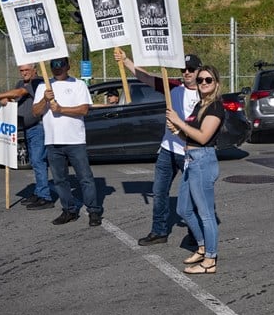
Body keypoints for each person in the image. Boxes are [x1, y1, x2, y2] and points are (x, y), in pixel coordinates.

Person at [114, 48, 201, 246]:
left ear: (199, 71)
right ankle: (159, 231)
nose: (186, 73)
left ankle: (195, 233)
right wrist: (127, 61)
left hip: (190, 152)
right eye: (183, 70)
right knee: (159, 192)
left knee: (192, 196)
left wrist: (179, 125)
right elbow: (146, 77)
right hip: (168, 150)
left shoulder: (205, 94)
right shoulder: (173, 87)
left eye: (191, 69)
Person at [166, 66, 224, 274]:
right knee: (184, 210)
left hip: (203, 161)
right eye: (200, 80)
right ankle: (202, 246)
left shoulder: (216, 107)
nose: (204, 83)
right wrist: (178, 131)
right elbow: (190, 137)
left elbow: (202, 137)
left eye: (208, 80)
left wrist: (179, 122)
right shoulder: (200, 105)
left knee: (206, 214)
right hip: (190, 159)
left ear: (216, 83)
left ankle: (210, 259)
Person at [32, 57, 103, 227]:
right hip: (53, 141)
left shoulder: (78, 85)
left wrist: (61, 109)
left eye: (61, 65)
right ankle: (69, 210)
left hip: (75, 140)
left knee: (85, 177)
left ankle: (94, 211)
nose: (57, 68)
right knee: (59, 180)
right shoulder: (44, 86)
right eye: (54, 65)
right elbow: (35, 112)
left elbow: (84, 109)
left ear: (68, 66)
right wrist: (44, 99)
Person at [0, 63, 53, 210]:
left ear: (35, 70)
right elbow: (15, 98)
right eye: (21, 70)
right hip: (27, 128)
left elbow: (20, 93)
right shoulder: (20, 83)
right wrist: (5, 100)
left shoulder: (37, 82)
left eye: (27, 70)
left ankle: (45, 197)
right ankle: (39, 192)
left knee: (38, 161)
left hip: (38, 127)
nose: (24, 73)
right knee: (34, 162)